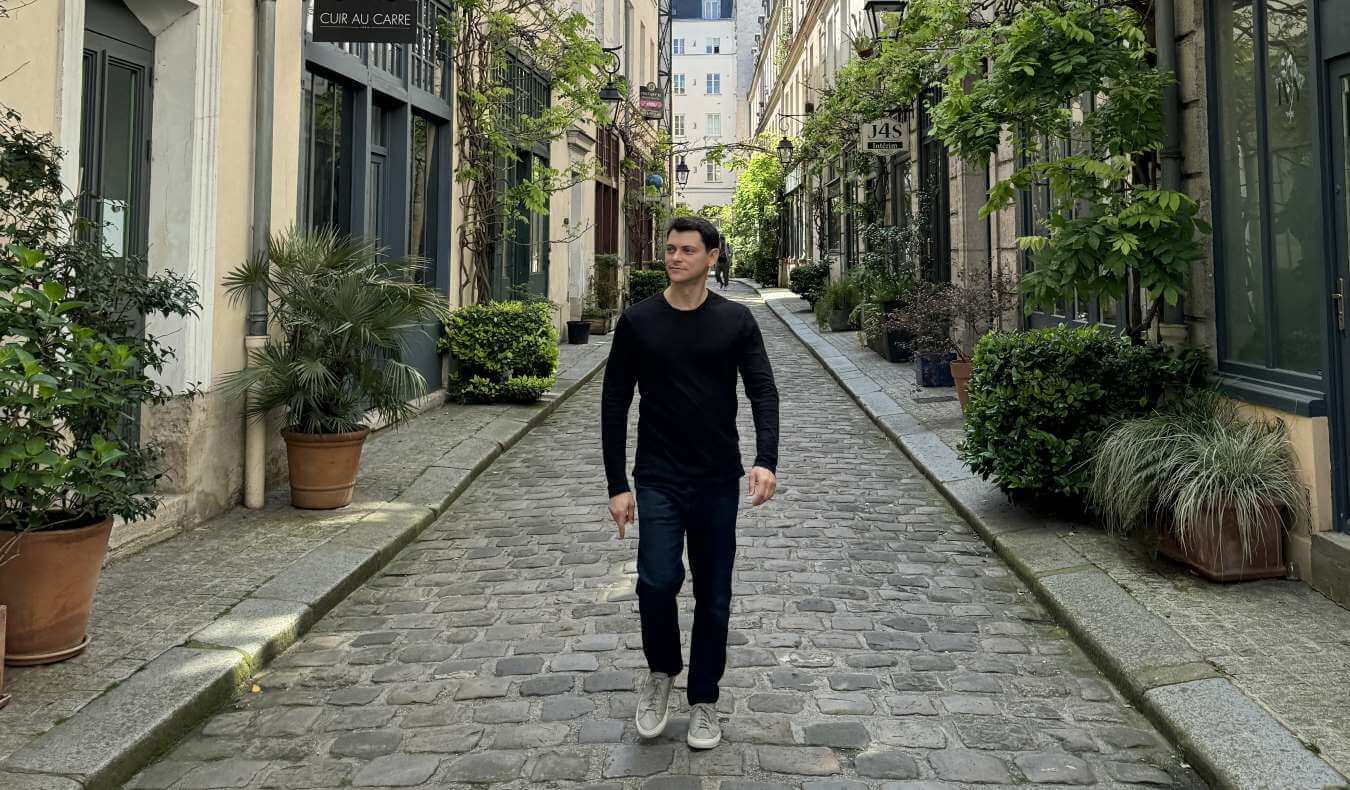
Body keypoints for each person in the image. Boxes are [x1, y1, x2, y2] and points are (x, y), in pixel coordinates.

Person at [601, 215, 780, 750]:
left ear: (712, 257)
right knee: (656, 581)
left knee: (714, 594)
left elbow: (763, 392)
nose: (674, 258)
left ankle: (704, 700)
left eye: (686, 250)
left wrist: (765, 460)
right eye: (670, 250)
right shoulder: (638, 322)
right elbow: (614, 403)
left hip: (716, 479)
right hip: (656, 476)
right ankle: (661, 673)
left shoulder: (736, 322)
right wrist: (617, 484)